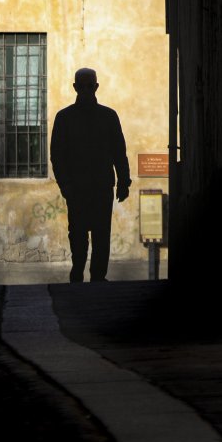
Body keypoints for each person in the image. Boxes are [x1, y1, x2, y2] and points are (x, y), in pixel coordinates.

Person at [50, 68, 131, 282]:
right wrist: (65, 185)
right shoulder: (64, 118)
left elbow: (119, 152)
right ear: (75, 87)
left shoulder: (109, 116)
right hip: (76, 188)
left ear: (96, 87)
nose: (86, 89)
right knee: (77, 234)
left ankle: (97, 276)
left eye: (90, 85)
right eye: (82, 85)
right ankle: (78, 270)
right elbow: (57, 156)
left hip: (101, 187)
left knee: (101, 234)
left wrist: (124, 181)